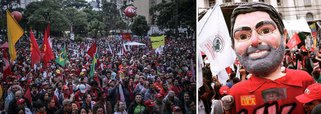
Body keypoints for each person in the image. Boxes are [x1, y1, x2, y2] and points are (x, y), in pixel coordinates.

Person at [225, 2, 315, 114]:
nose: (254, 41)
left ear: (284, 36)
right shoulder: (236, 94)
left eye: (266, 31)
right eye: (243, 36)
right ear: (233, 46)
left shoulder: (304, 81)